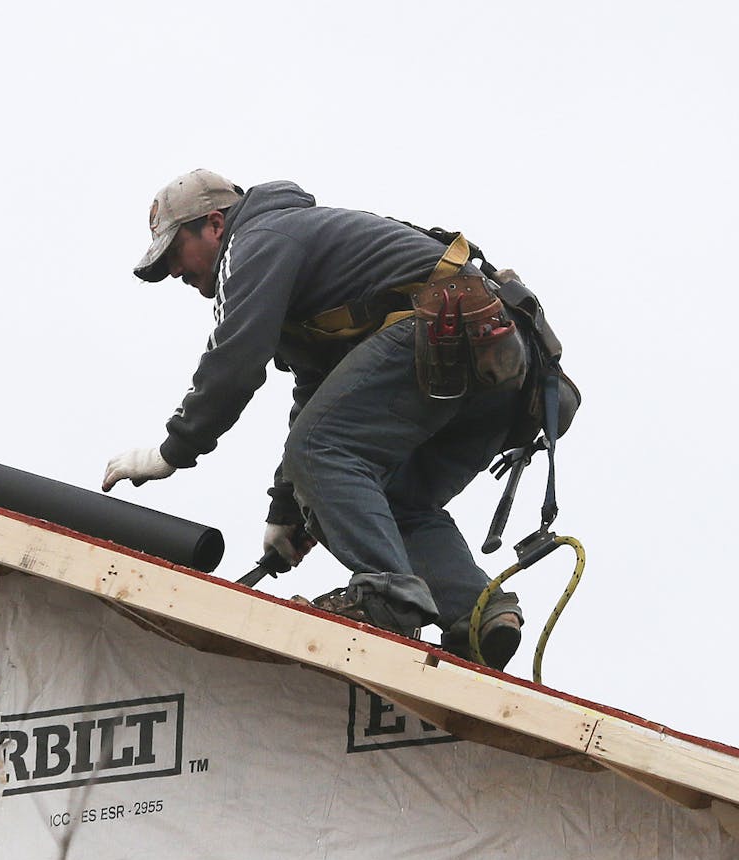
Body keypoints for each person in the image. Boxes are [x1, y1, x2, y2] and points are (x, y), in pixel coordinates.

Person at [101, 168, 532, 667]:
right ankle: (478, 616)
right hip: (498, 373)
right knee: (389, 500)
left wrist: (169, 452)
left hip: (446, 334)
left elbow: (234, 367)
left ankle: (387, 600)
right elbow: (320, 390)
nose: (175, 271)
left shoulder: (258, 241)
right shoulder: (291, 260)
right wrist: (287, 509)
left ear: (215, 224)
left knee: (318, 453)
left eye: (176, 251)